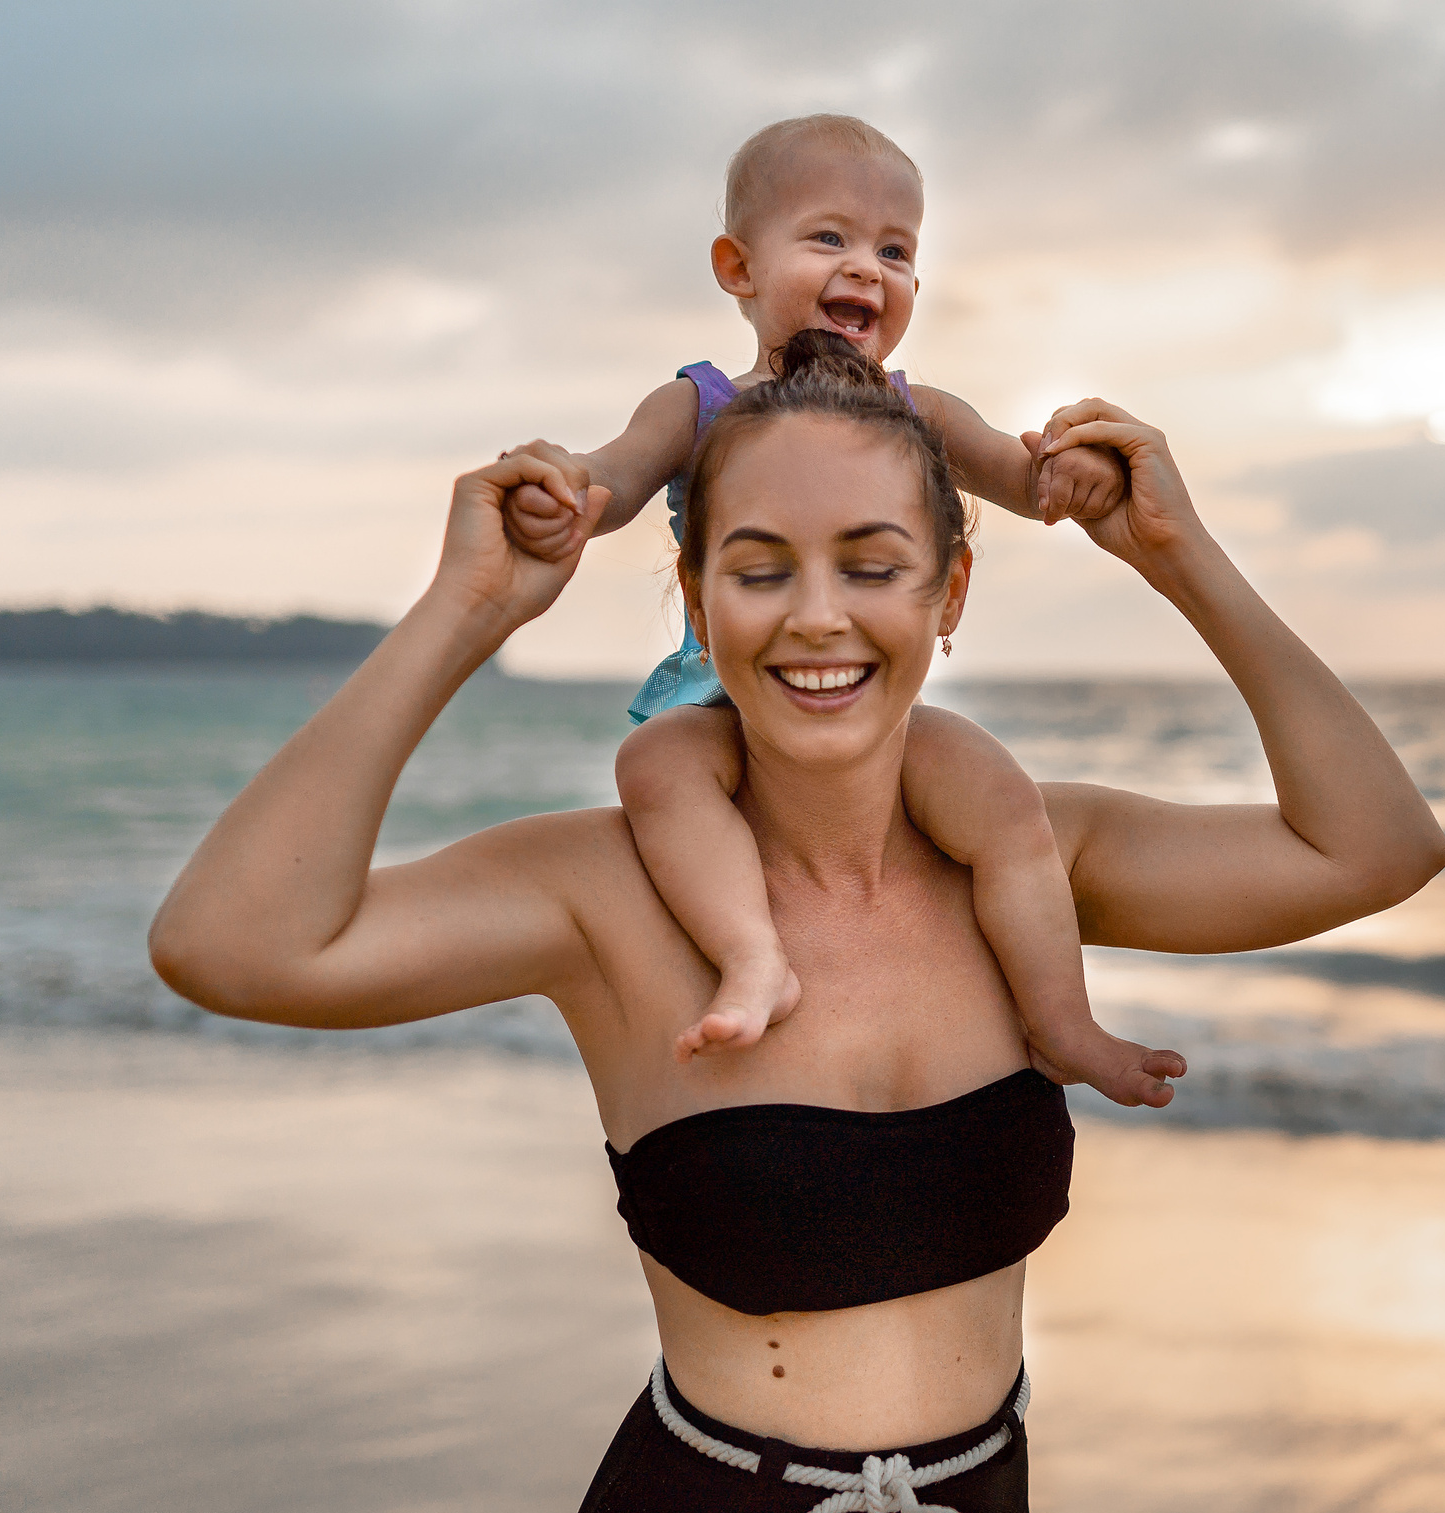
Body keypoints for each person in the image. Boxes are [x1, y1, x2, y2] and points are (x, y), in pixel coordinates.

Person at [146, 339, 1445, 1513]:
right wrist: (467, 612)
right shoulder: (604, 891)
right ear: (696, 602)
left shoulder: (1032, 865)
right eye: (759, 570)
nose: (816, 617)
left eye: (872, 566)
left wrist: (1177, 556)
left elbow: (1376, 846)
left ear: (950, 591)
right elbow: (232, 945)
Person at [502, 113, 1181, 1108]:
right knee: (656, 767)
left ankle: (1060, 1020)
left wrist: (1077, 469)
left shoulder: (919, 411)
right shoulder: (697, 405)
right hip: (726, 696)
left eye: (895, 251)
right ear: (738, 267)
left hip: (863, 716)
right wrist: (562, 486)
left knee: (1002, 800)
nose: (866, 266)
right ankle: (753, 957)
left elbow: (1023, 479)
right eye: (829, 238)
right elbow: (612, 478)